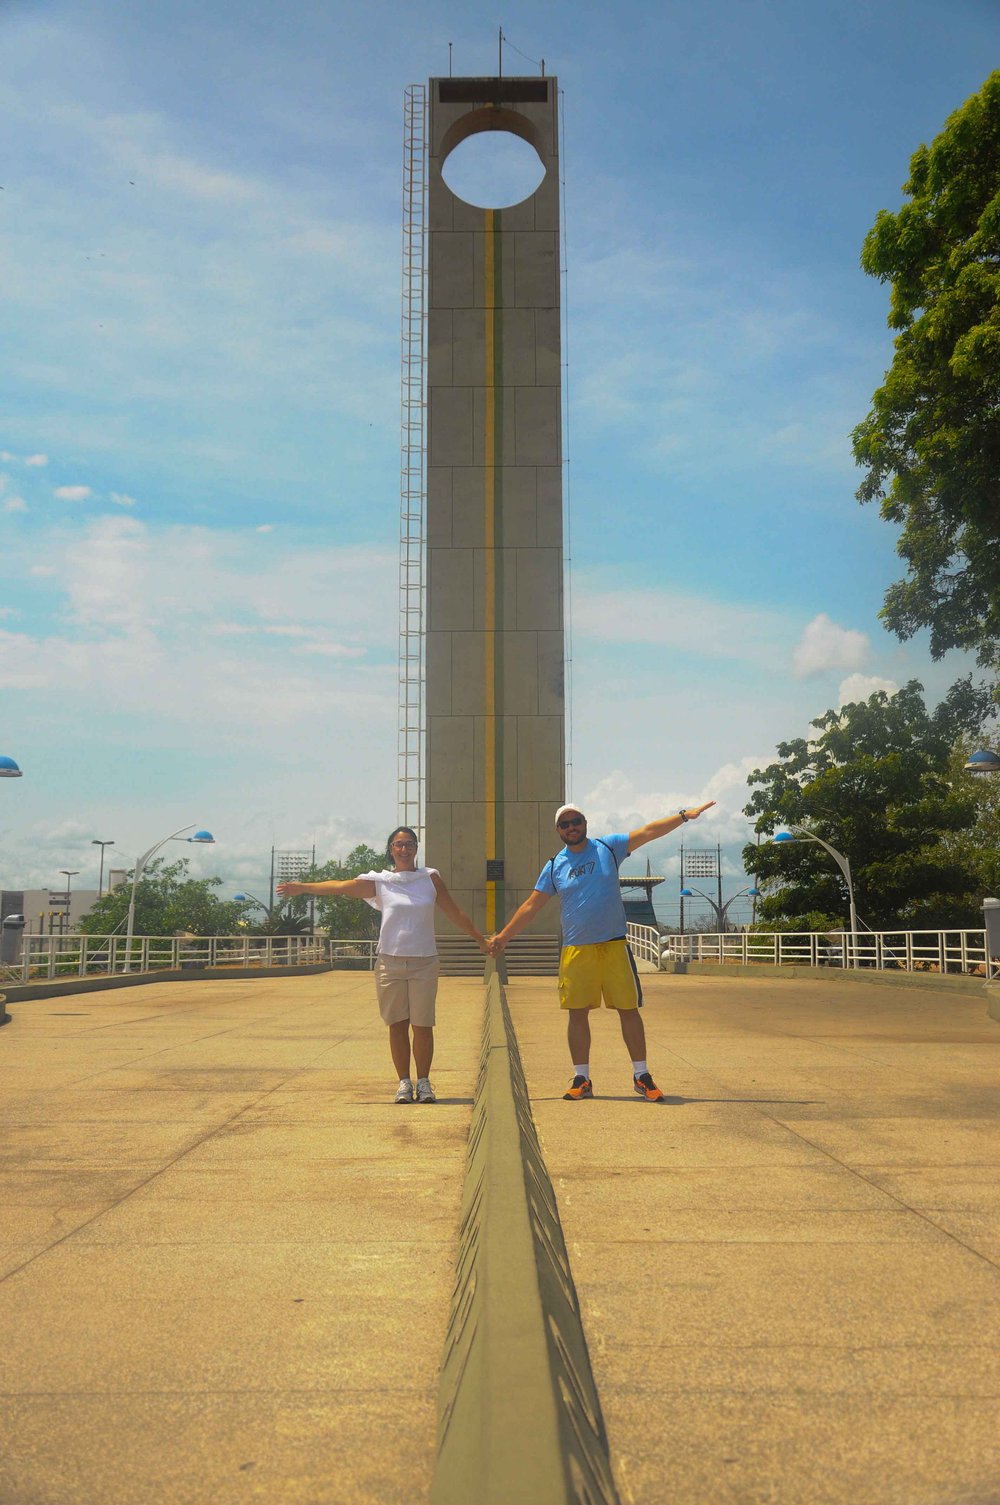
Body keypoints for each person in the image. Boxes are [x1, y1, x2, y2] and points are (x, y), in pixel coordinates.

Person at [488, 800, 715, 1101]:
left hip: (614, 946)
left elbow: (649, 832)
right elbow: (532, 905)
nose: (572, 827)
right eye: (565, 824)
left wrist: (684, 816)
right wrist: (504, 936)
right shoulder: (555, 865)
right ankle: (581, 1077)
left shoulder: (609, 847)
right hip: (576, 949)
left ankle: (641, 1075)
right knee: (577, 1013)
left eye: (576, 821)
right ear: (558, 830)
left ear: (585, 823)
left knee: (628, 1010)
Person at [277, 827, 486, 1104]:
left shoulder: (430, 879)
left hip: (424, 961)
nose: (404, 849)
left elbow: (454, 912)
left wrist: (481, 939)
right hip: (390, 962)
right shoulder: (381, 882)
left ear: (416, 848)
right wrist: (302, 888)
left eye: (409, 844)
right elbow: (340, 886)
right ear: (391, 849)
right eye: (399, 844)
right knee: (397, 1024)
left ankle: (423, 1083)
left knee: (423, 1025)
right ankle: (403, 1083)